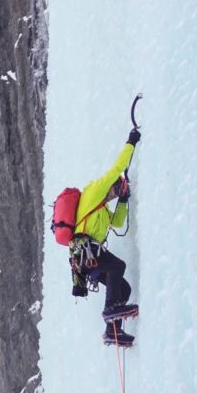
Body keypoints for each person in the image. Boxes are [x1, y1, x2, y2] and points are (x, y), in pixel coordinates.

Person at [70, 129, 141, 346]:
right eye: (117, 189)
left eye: (118, 192)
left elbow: (118, 223)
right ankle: (111, 310)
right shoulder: (94, 192)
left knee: (124, 288)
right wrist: (131, 142)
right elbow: (118, 167)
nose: (115, 194)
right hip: (85, 251)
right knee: (117, 266)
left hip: (85, 259)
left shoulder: (101, 210)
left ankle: (113, 332)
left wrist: (123, 201)